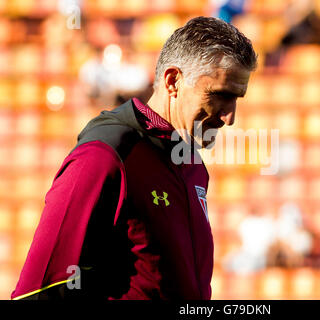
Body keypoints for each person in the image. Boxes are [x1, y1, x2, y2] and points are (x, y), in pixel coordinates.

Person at [12, 16, 257, 300]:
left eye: (237, 98)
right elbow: (38, 291)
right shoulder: (105, 155)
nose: (230, 117)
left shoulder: (192, 164)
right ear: (173, 81)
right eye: (220, 95)